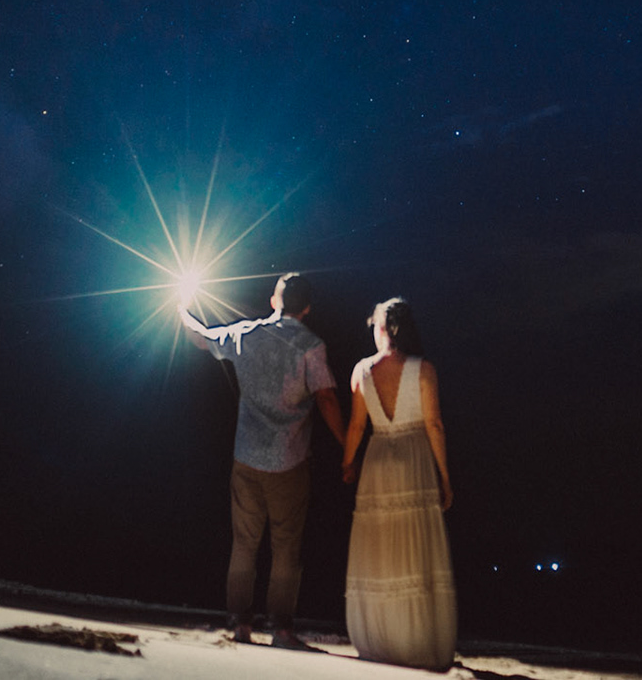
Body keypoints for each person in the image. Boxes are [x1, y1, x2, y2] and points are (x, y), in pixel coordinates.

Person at [181, 271, 345, 649]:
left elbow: (202, 338)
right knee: (287, 547)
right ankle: (282, 628)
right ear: (307, 308)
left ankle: (240, 623)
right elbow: (326, 398)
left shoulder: (246, 334)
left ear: (275, 300)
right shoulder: (311, 345)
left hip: (247, 457)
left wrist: (181, 309)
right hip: (290, 460)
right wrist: (347, 447)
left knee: (244, 544)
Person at [340, 297, 456, 670]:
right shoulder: (424, 370)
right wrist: (444, 476)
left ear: (383, 328)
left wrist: (347, 462)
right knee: (414, 550)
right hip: (413, 460)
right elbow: (434, 425)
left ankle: (381, 640)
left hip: (377, 460)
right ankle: (414, 640)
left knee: (381, 552)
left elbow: (357, 425)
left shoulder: (361, 370)